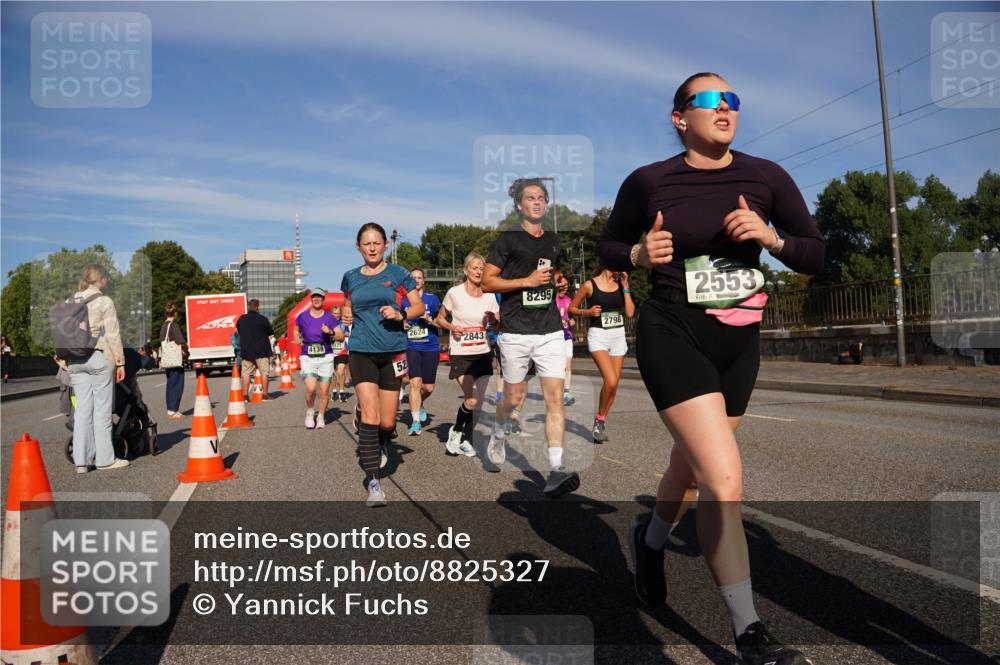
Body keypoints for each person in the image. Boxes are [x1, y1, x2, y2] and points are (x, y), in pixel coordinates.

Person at [597, 73, 824, 665]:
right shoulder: (649, 181)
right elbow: (608, 247)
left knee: (693, 470)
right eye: (709, 100)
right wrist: (638, 256)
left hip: (739, 340)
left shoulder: (768, 177)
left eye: (733, 99)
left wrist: (772, 238)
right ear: (680, 118)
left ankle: (647, 543)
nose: (725, 107)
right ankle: (750, 634)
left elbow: (816, 254)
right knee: (723, 479)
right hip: (672, 327)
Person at [482, 178, 579, 498]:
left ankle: (556, 469)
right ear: (518, 205)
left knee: (555, 399)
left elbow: (551, 272)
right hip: (515, 332)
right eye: (530, 198)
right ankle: (497, 434)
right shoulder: (507, 240)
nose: (536, 202)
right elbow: (487, 282)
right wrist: (525, 281)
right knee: (512, 400)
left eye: (541, 198)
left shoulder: (553, 239)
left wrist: (558, 281)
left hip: (550, 330)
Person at [341, 223, 423, 507]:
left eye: (377, 243)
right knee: (372, 417)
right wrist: (346, 315)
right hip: (361, 350)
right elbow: (347, 305)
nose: (372, 248)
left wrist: (401, 312)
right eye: (367, 243)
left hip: (393, 352)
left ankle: (383, 439)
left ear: (385, 245)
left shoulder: (398, 274)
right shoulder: (350, 277)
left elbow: (418, 308)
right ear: (358, 247)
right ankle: (374, 483)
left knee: (387, 422)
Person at [65, 264, 129, 472]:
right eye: (106, 278)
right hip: (98, 357)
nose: (108, 282)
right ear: (100, 279)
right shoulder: (104, 301)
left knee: (82, 410)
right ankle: (105, 460)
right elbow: (112, 334)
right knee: (102, 411)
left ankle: (81, 461)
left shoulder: (70, 301)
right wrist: (120, 362)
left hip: (74, 360)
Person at [435, 253, 500, 457]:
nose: (479, 271)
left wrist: (494, 321)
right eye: (475, 267)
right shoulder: (454, 293)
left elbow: (497, 325)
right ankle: (455, 431)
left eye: (482, 268)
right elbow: (439, 319)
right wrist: (452, 326)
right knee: (470, 400)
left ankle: (465, 439)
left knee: (479, 402)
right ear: (466, 270)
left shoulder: (489, 296)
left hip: (482, 352)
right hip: (462, 353)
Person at [568, 266, 635, 443]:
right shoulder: (589, 285)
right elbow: (571, 308)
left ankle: (600, 421)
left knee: (613, 385)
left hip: (618, 336)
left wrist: (626, 286)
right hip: (599, 336)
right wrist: (587, 312)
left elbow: (629, 313)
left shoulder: (621, 285)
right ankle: (599, 420)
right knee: (610, 380)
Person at [294, 288, 346, 429]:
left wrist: (330, 331)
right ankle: (310, 412)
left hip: (326, 356)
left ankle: (321, 416)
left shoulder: (329, 318)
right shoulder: (303, 316)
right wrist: (296, 337)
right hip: (308, 356)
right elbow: (296, 330)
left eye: (319, 297)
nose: (316, 300)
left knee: (324, 391)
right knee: (311, 389)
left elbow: (340, 336)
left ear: (323, 300)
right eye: (314, 297)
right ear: (311, 300)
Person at [403, 268, 442, 436]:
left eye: (419, 278)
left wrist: (430, 320)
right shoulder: (403, 300)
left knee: (428, 387)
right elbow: (396, 320)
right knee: (415, 383)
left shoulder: (433, 299)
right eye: (414, 278)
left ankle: (420, 404)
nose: (417, 280)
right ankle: (416, 421)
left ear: (423, 281)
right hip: (411, 345)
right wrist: (401, 324)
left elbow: (442, 323)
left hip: (430, 346)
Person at [236, 299, 275, 401]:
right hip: (262, 350)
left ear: (248, 306)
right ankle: (265, 395)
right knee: (264, 373)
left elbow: (239, 330)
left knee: (246, 373)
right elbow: (270, 332)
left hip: (247, 351)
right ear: (258, 307)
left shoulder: (242, 319)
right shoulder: (263, 319)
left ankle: (245, 395)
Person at [158, 303, 188, 419]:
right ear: (175, 313)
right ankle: (174, 410)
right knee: (177, 384)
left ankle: (170, 409)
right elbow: (180, 341)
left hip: (168, 359)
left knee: (170, 384)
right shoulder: (174, 325)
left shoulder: (163, 326)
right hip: (175, 360)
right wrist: (186, 351)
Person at [553, 271, 576, 406]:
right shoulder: (551, 300)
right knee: (558, 367)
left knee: (567, 365)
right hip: (554, 337)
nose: (565, 287)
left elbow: (572, 317)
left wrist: (572, 321)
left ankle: (566, 392)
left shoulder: (568, 300)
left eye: (567, 285)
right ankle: (556, 391)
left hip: (567, 336)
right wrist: (557, 322)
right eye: (563, 284)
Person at [330, 305, 351, 402]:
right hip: (331, 351)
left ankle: (342, 392)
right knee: (332, 373)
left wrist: (340, 334)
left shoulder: (343, 324)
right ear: (331, 314)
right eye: (335, 314)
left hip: (342, 350)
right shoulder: (328, 323)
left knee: (341, 371)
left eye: (338, 314)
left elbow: (347, 333)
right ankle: (334, 392)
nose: (337, 316)